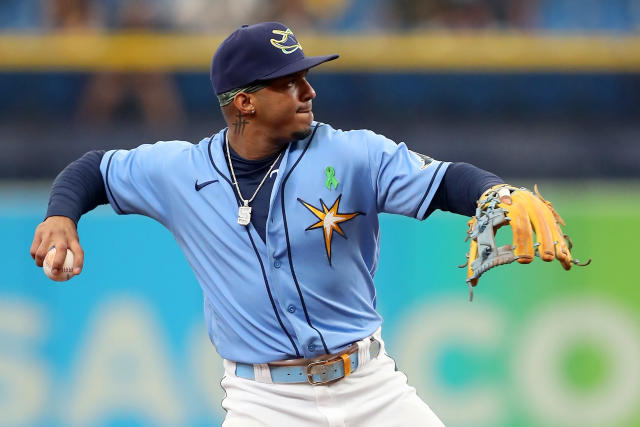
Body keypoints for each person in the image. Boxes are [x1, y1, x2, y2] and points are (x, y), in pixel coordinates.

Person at [32, 22, 514, 426]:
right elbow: (94, 169)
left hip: (371, 389)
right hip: (263, 403)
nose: (310, 91)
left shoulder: (351, 153)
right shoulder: (180, 171)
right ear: (245, 103)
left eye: (304, 76)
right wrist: (61, 214)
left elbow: (448, 180)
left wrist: (497, 193)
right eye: (289, 82)